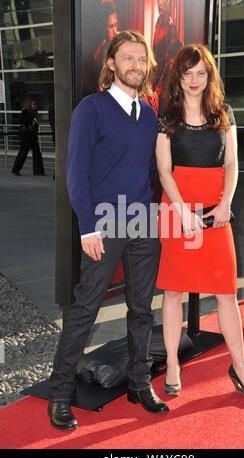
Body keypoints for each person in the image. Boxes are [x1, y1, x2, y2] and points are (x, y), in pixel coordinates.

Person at [48, 31, 169, 431]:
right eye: (128, 58)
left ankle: (138, 383)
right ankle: (60, 395)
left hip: (143, 220)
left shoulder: (149, 114)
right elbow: (75, 173)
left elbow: (153, 173)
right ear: (112, 64)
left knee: (140, 308)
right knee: (85, 310)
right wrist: (87, 228)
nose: (136, 65)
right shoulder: (92, 109)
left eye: (141, 59)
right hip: (104, 221)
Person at [155, 44, 244, 401]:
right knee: (173, 291)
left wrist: (225, 204)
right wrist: (183, 210)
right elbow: (164, 170)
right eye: (187, 73)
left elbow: (231, 165)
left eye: (201, 72)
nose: (194, 80)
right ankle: (172, 363)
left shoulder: (224, 112)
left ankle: (241, 366)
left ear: (210, 75)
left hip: (217, 211)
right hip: (177, 208)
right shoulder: (167, 115)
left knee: (226, 293)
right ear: (178, 76)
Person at [12, 98, 45, 176]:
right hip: (26, 136)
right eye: (34, 104)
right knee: (23, 153)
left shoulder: (35, 113)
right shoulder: (25, 111)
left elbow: (36, 125)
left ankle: (38, 171)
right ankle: (16, 169)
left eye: (36, 104)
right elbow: (21, 121)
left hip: (32, 135)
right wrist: (31, 122)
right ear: (30, 104)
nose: (35, 106)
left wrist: (35, 124)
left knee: (37, 153)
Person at [153, 0, 179, 92]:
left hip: (163, 83)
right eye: (158, 1)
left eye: (163, 1)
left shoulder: (171, 27)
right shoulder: (158, 23)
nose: (160, 4)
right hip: (155, 76)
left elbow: (171, 60)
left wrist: (161, 85)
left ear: (168, 3)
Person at [93, 0, 119, 91]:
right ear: (103, 27)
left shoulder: (125, 44)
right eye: (111, 26)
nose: (115, 30)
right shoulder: (99, 55)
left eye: (116, 25)